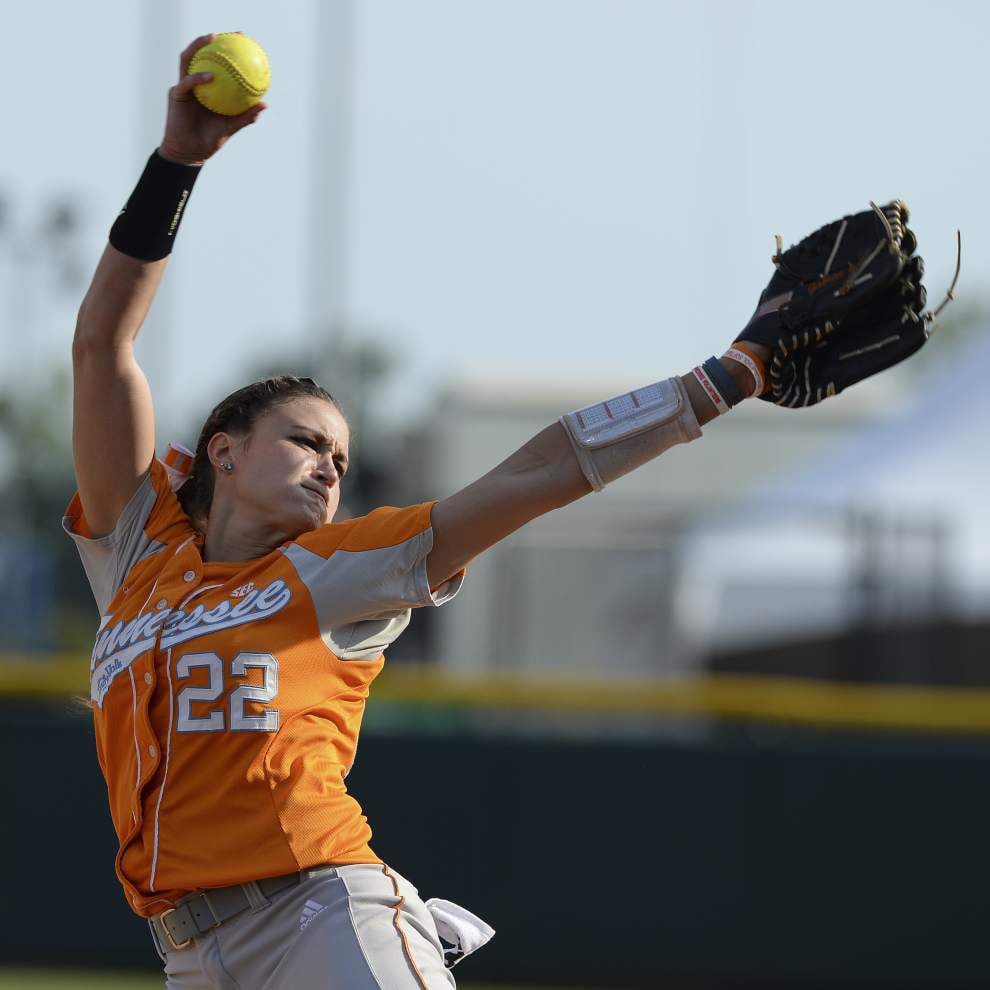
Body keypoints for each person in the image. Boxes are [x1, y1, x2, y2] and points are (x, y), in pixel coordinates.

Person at [66, 34, 781, 990]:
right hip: (193, 958)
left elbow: (534, 475)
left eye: (343, 457)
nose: (331, 466)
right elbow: (101, 349)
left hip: (322, 914)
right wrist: (177, 164)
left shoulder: (341, 568)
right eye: (307, 440)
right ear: (224, 451)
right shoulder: (137, 551)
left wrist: (716, 386)